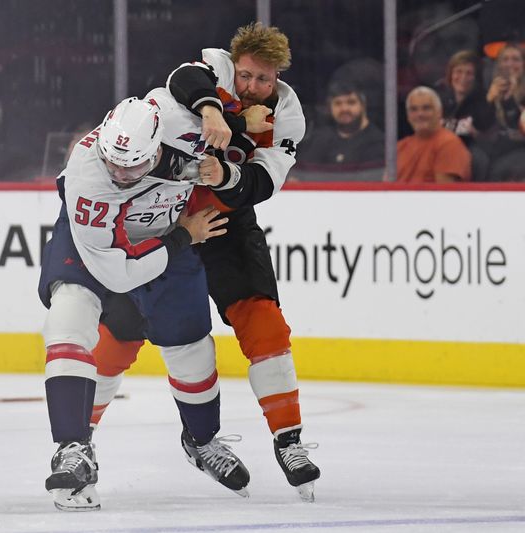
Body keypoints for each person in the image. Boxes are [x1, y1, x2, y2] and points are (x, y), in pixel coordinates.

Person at [90, 21, 322, 502]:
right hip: (160, 217)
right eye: (246, 75)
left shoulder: (290, 116)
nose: (253, 86)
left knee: (265, 323)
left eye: (264, 79)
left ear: (278, 77)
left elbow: (264, 183)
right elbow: (182, 82)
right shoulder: (212, 68)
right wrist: (217, 111)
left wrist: (226, 175)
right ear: (233, 65)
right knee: (120, 333)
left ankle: (289, 441)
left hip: (224, 222)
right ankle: (77, 439)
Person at [37, 96, 251, 511]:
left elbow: (208, 69)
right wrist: (184, 237)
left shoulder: (181, 119)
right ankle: (72, 447)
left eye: (131, 166)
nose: (118, 174)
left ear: (157, 148)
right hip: (104, 244)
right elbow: (119, 272)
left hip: (167, 232)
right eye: (111, 163)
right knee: (69, 318)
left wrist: (212, 109)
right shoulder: (89, 175)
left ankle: (202, 440)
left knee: (191, 345)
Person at [296, 80, 384, 168]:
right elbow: (299, 175)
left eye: (351, 102)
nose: (344, 109)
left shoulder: (377, 142)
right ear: (330, 108)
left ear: (363, 106)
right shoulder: (319, 138)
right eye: (338, 103)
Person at [436, 50, 495, 181]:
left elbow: (491, 144)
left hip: (469, 164)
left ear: (476, 77)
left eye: (469, 73)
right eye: (458, 72)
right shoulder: (438, 100)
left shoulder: (484, 104)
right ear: (450, 74)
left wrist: (475, 133)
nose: (463, 78)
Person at [396, 86, 471, 183]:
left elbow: (443, 195)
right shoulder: (400, 147)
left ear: (439, 112)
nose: (420, 114)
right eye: (413, 109)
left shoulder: (449, 144)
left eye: (426, 108)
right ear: (408, 116)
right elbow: (385, 190)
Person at [484, 43, 525, 181]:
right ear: (499, 64)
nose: (510, 64)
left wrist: (511, 99)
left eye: (515, 59)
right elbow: (481, 125)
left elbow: (517, 127)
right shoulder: (490, 89)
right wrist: (489, 100)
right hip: (496, 151)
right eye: (505, 59)